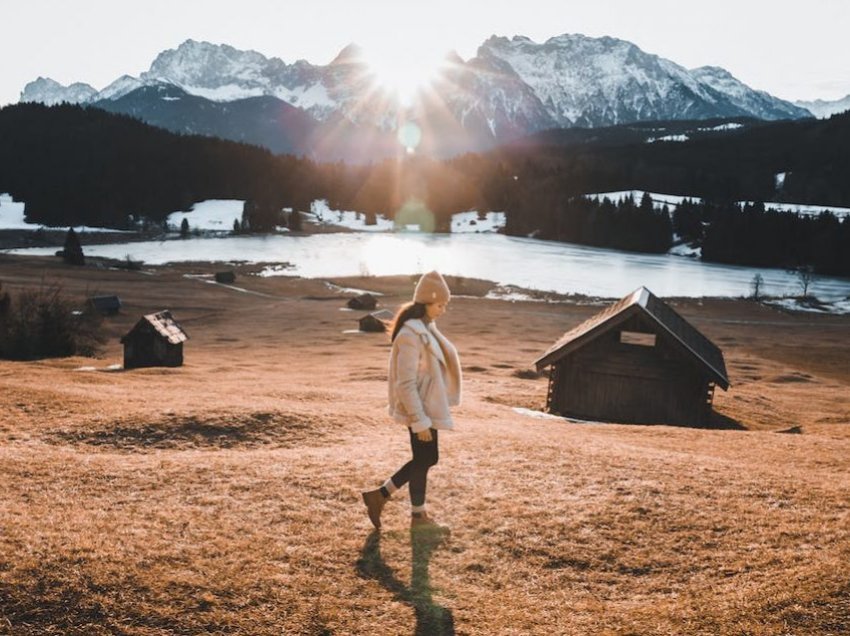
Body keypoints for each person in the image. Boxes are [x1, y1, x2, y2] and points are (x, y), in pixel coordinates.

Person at [362, 271, 462, 532]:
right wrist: (419, 420)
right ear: (426, 301)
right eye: (440, 304)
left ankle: (389, 501)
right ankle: (403, 509)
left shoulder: (427, 329)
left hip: (425, 407)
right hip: (419, 409)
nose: (443, 309)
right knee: (426, 457)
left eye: (445, 305)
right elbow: (404, 383)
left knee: (426, 458)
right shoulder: (410, 334)